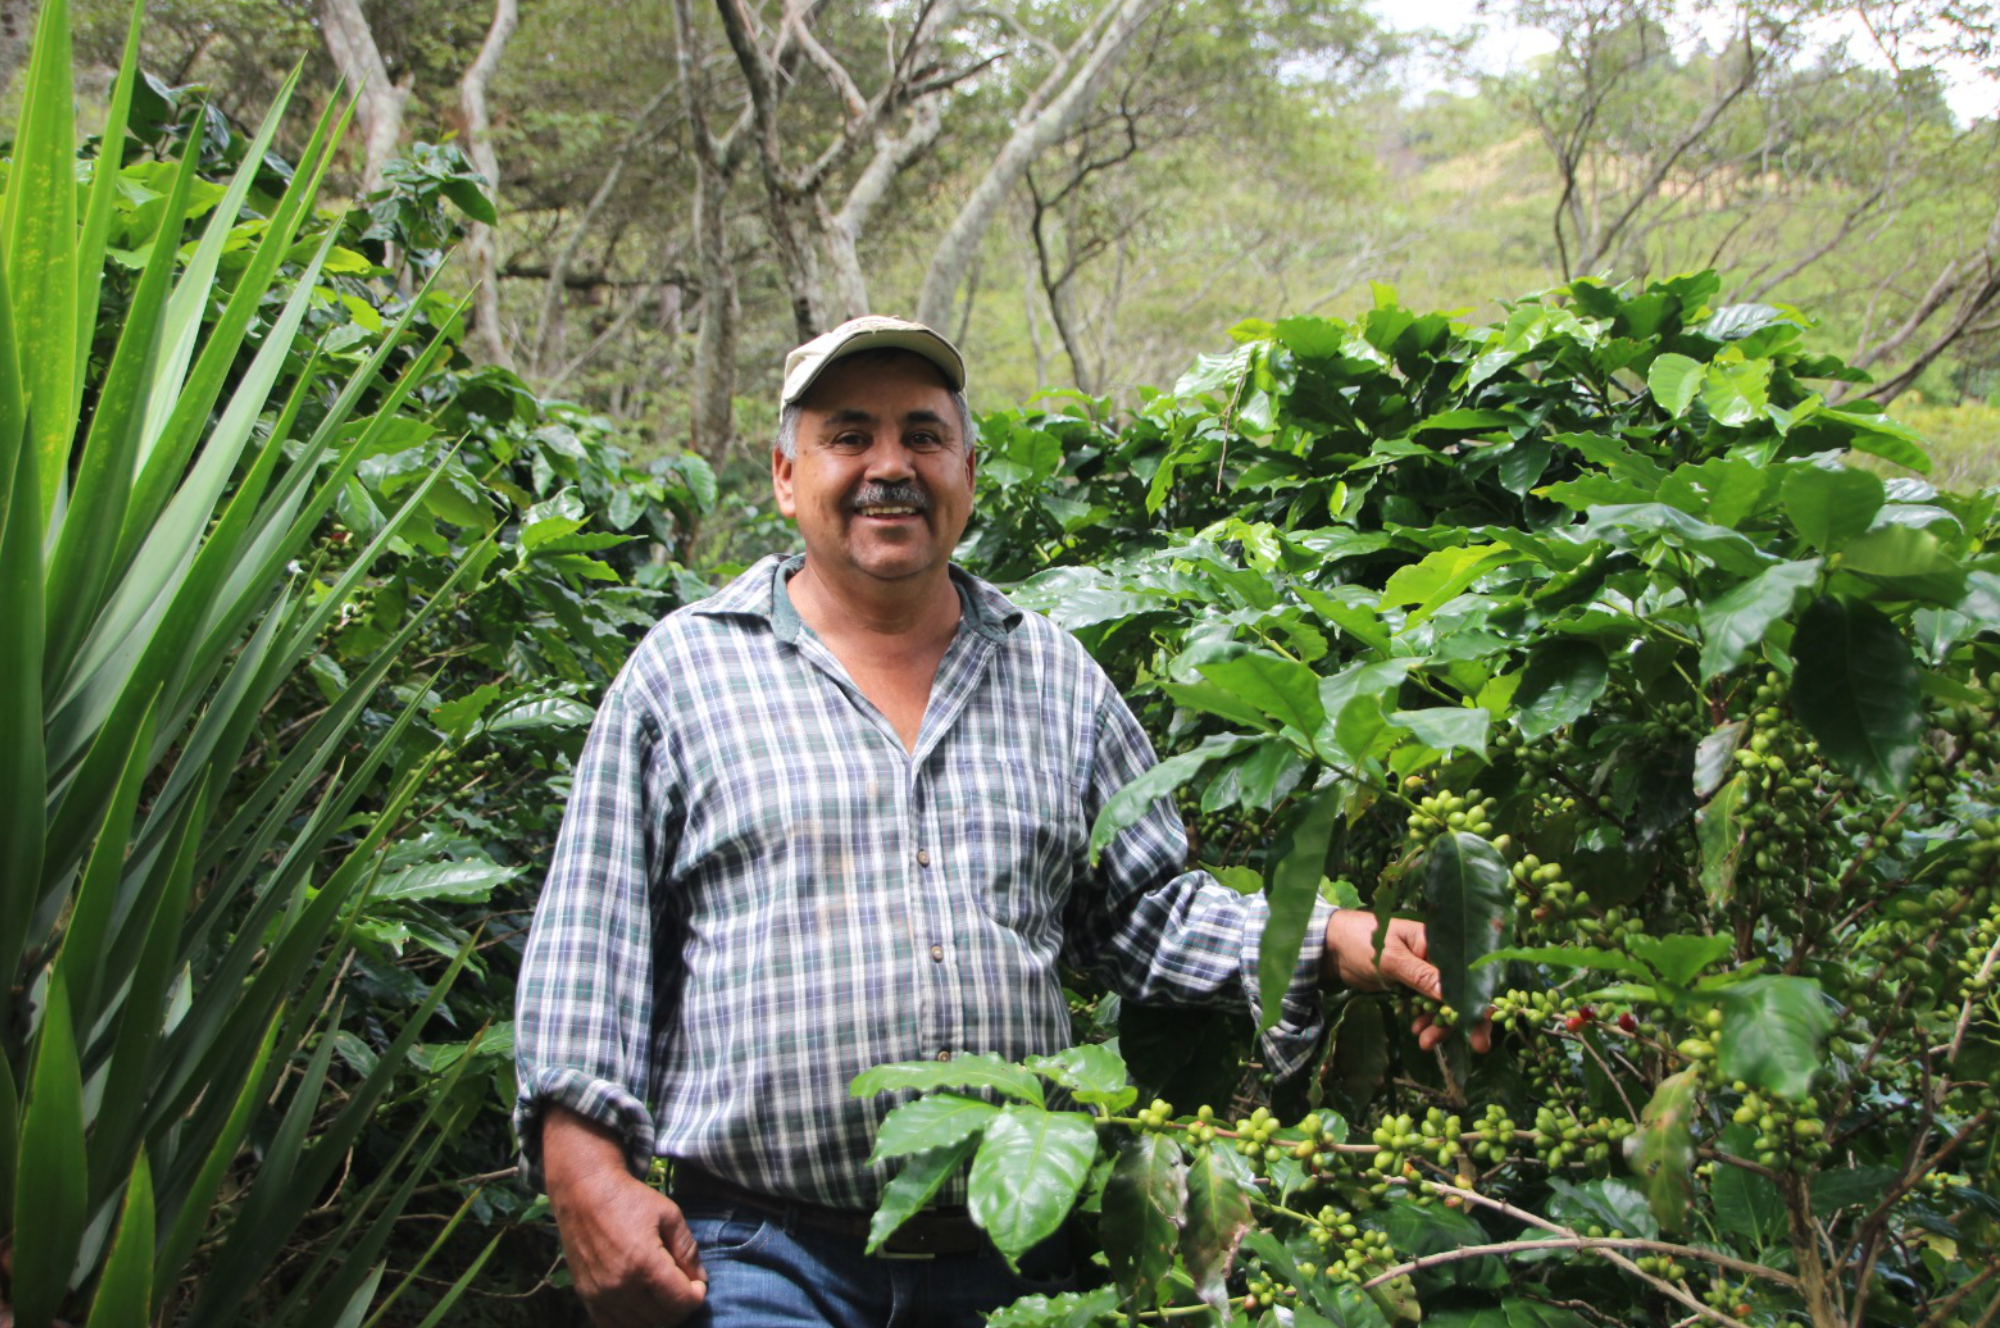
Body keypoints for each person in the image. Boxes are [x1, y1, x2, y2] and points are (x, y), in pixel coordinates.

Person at [513, 316, 1487, 1328]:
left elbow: (1140, 907)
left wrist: (1331, 937)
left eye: (922, 436)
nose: (890, 466)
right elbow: (596, 935)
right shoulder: (682, 674)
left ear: (967, 473)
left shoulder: (1053, 675)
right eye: (849, 436)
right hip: (760, 1254)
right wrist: (584, 1170)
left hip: (1016, 1258)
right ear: (784, 475)